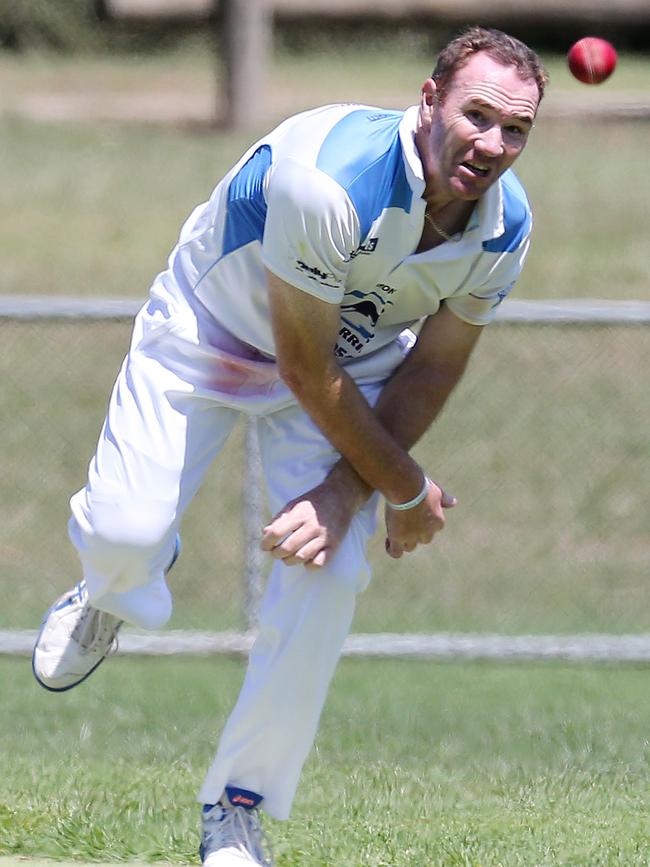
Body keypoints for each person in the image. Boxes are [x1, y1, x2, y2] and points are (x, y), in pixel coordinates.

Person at [32, 26, 548, 867]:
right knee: (125, 535)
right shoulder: (330, 180)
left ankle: (236, 808)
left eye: (515, 129)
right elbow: (303, 365)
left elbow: (434, 366)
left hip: (349, 362)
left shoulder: (504, 230)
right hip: (212, 333)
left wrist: (350, 494)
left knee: (332, 567)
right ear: (428, 101)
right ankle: (113, 587)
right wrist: (407, 491)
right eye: (477, 114)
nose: (493, 144)